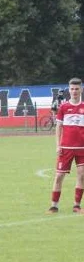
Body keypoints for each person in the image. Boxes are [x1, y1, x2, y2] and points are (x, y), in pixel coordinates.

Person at [48, 78, 84, 213]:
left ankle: (77, 205)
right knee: (59, 176)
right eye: (72, 89)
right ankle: (54, 205)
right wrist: (58, 145)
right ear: (69, 90)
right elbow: (58, 127)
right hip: (66, 148)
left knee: (82, 175)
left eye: (77, 89)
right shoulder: (63, 107)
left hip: (82, 148)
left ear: (81, 90)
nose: (74, 91)